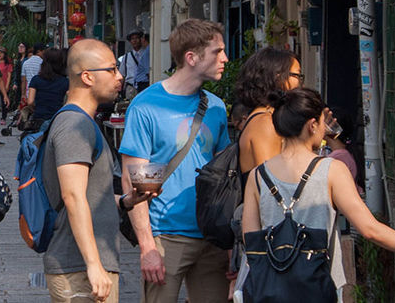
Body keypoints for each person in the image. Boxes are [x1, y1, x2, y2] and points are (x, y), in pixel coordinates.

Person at [240, 88, 395, 298]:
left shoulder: (257, 176)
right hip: (316, 286)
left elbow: (250, 239)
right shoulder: (331, 171)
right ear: (312, 125)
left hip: (267, 290)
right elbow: (370, 229)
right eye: (322, 123)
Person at [120, 18, 232, 303]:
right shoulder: (148, 106)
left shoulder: (216, 107)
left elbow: (223, 177)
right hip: (166, 235)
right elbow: (136, 180)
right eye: (217, 52)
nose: (225, 59)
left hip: (211, 237)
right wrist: (147, 247)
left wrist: (229, 238)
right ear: (191, 58)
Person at [42, 38, 147, 303]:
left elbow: (88, 195)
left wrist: (125, 201)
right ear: (87, 77)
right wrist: (93, 264)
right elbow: (73, 197)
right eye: (112, 69)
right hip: (78, 268)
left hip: (87, 265)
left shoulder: (83, 122)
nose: (120, 76)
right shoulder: (73, 125)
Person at [235, 47, 303, 175]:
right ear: (277, 77)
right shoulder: (265, 123)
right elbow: (271, 183)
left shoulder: (266, 117)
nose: (300, 83)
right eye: (296, 75)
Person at [27, 47, 70, 128]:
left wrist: (34, 109)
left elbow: (30, 101)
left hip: (39, 118)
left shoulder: (36, 79)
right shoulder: (65, 82)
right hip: (57, 119)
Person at [0, 48, 12, 118]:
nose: (0, 54)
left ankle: (3, 117)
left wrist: (7, 86)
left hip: (4, 85)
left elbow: (9, 75)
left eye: (1, 53)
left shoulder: (7, 63)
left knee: (4, 102)